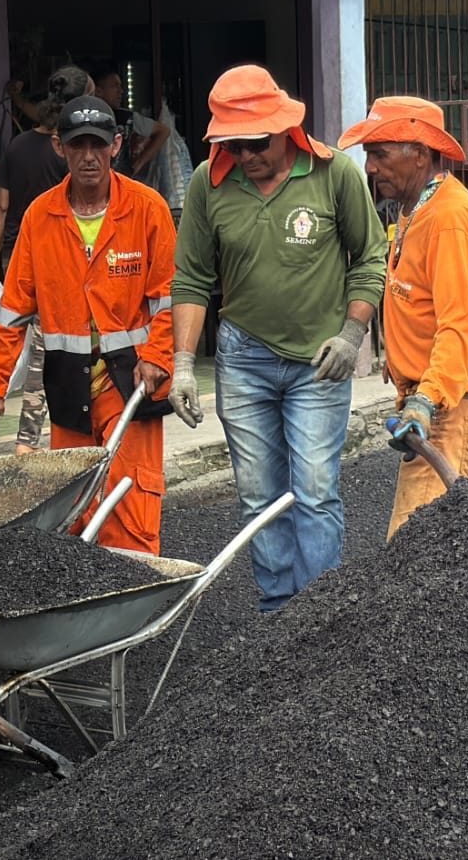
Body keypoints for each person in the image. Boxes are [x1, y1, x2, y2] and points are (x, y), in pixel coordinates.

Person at [168, 66, 387, 612]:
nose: (245, 155)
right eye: (233, 144)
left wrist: (352, 332)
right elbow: (192, 278)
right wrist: (180, 364)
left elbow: (370, 256)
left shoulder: (334, 174)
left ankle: (319, 614)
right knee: (259, 496)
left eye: (255, 143)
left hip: (321, 361)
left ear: (285, 130)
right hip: (243, 360)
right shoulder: (207, 183)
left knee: (314, 489)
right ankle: (276, 613)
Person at [0, 95, 176, 554]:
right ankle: (82, 613)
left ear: (116, 146)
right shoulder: (39, 218)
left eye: (98, 145)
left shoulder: (147, 210)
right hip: (68, 384)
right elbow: (13, 309)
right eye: (77, 145)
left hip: (130, 382)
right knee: (76, 508)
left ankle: (129, 604)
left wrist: (157, 357)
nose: (89, 156)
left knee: (130, 503)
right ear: (58, 149)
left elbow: (169, 299)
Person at [339, 96, 468, 541]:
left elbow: (458, 326)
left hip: (453, 412)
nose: (370, 168)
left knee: (418, 559)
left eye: (379, 154)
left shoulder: (448, 218)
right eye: (368, 155)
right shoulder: (421, 210)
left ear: (420, 151)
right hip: (443, 407)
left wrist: (425, 400)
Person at [0, 65, 92, 454]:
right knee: (52, 355)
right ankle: (32, 440)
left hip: (15, 254)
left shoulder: (19, 146)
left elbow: (1, 205)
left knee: (37, 349)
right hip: (60, 262)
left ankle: (32, 439)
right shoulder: (77, 152)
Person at [95, 70, 170, 189]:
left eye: (121, 86)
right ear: (98, 91)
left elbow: (163, 131)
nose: (120, 91)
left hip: (122, 183)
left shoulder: (127, 118)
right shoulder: (88, 119)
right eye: (115, 86)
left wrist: (139, 163)